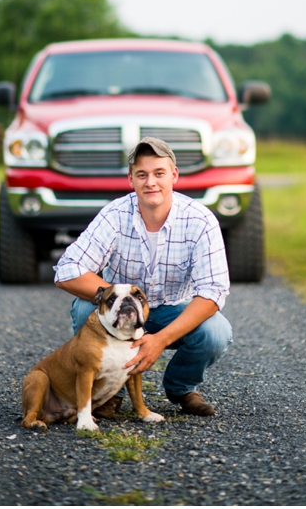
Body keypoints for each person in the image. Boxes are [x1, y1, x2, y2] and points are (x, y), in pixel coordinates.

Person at [55, 136, 233, 416]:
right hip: (117, 316)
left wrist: (160, 340)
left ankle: (181, 387)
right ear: (130, 179)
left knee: (216, 332)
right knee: (84, 308)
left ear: (174, 175)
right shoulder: (114, 215)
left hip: (173, 311)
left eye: (159, 173)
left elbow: (213, 291)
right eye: (142, 174)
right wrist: (119, 299)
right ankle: (105, 389)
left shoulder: (200, 220)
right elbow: (67, 270)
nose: (151, 182)